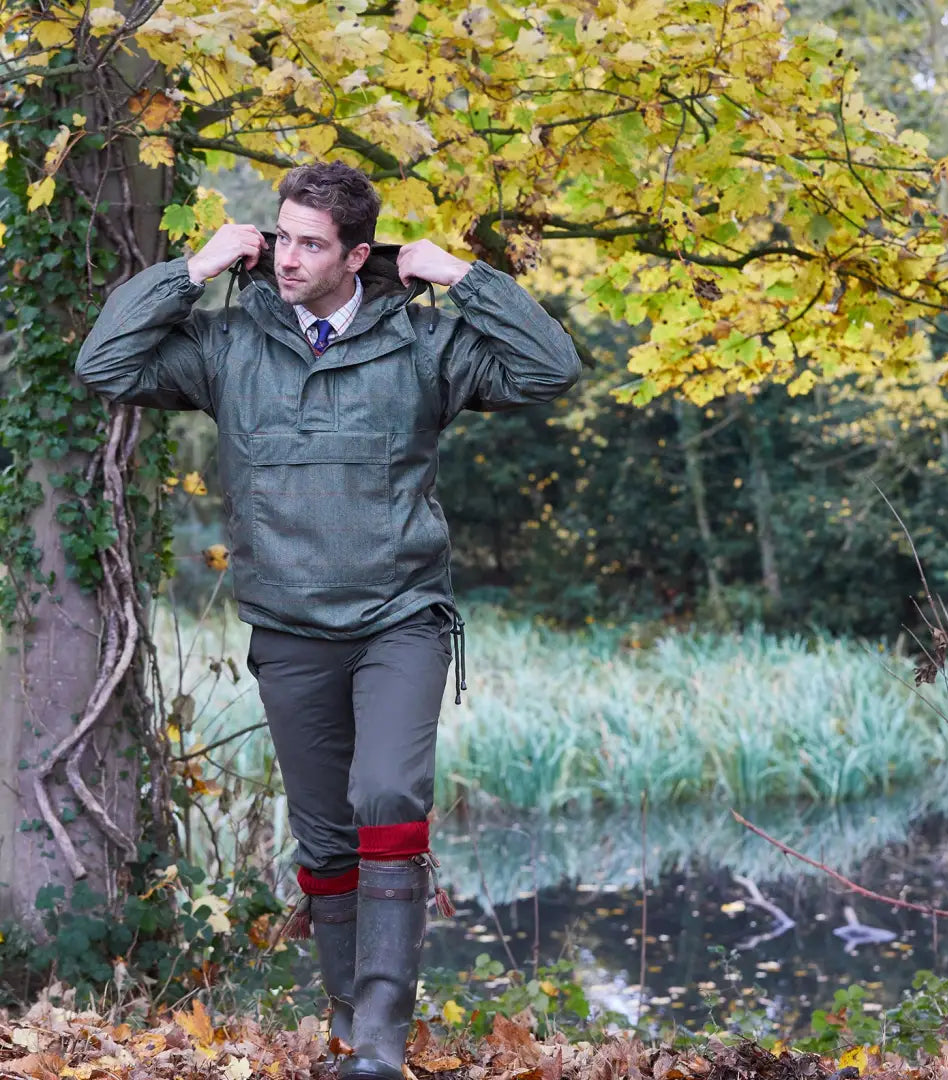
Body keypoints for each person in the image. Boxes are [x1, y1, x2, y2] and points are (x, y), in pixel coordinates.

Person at [75, 161, 582, 1079]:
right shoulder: (228, 345)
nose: (288, 257)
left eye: (312, 243)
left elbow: (550, 369)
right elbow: (103, 364)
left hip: (400, 618)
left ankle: (383, 1042)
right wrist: (191, 268)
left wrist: (465, 278)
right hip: (287, 625)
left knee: (386, 795)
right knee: (326, 838)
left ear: (358, 253)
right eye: (281, 238)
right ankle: (351, 1026)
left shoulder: (426, 346)